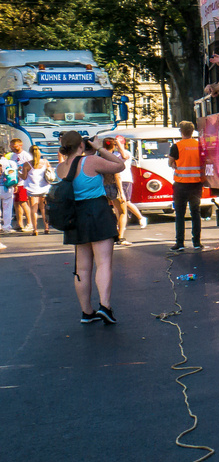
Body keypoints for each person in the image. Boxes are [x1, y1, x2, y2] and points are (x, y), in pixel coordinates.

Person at [56, 130, 125, 324]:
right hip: (97, 210)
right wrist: (99, 148)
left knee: (82, 268)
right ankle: (105, 306)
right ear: (81, 145)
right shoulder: (90, 161)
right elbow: (120, 165)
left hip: (75, 215)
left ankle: (87, 312)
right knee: (103, 263)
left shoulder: (60, 168)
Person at [168, 120, 205, 253]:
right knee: (195, 213)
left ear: (181, 132)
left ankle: (180, 243)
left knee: (180, 215)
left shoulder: (176, 146)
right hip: (196, 184)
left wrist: (174, 165)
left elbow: (170, 162)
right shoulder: (198, 145)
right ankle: (197, 242)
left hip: (181, 185)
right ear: (192, 131)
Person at [22, 146, 52, 234]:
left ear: (30, 153)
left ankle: (35, 229)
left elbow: (24, 177)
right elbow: (50, 171)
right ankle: (46, 227)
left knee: (33, 209)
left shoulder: (27, 164)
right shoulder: (45, 162)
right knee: (43, 209)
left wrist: (19, 173)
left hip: (32, 189)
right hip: (44, 188)